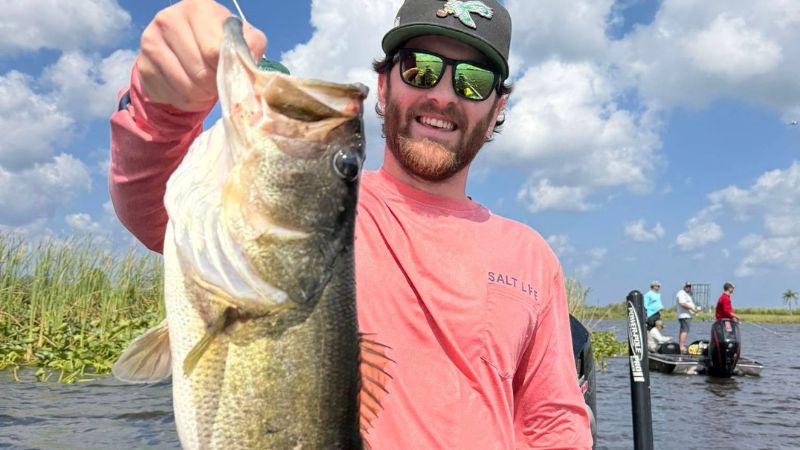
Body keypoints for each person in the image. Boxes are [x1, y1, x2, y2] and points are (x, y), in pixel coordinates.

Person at [108, 0, 592, 448]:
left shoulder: (530, 254)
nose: (443, 95)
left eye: (473, 82)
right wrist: (163, 104)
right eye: (420, 69)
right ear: (383, 85)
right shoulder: (328, 209)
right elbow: (153, 207)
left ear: (496, 110)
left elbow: (553, 419)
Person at [676, 281, 702, 353]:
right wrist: (692, 309)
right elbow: (683, 304)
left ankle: (681, 345)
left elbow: (688, 303)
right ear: (684, 286)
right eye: (687, 286)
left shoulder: (687, 294)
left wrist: (695, 309)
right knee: (685, 331)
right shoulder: (681, 293)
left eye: (689, 287)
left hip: (687, 315)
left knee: (683, 331)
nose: (688, 288)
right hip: (684, 316)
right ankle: (681, 347)